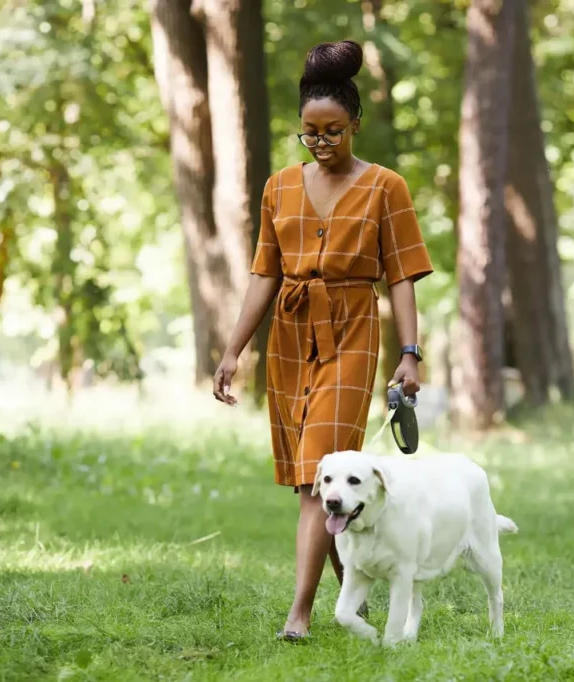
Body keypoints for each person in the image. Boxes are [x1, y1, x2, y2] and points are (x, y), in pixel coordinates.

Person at [212, 39, 434, 641]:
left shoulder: (387, 186)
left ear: (355, 124)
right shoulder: (278, 186)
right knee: (314, 485)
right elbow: (265, 272)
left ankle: (300, 617)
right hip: (289, 334)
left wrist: (409, 353)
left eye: (332, 131)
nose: (321, 142)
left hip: (353, 332)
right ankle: (354, 597)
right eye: (310, 133)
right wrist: (235, 349)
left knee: (319, 477)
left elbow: (403, 276)